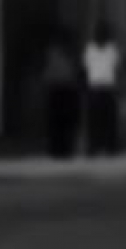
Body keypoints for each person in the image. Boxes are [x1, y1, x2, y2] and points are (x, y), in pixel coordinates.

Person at [83, 22, 121, 156]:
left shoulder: (94, 49)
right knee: (101, 120)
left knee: (102, 120)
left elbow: (87, 67)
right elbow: (116, 68)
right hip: (100, 87)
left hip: (102, 87)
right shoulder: (104, 49)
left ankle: (103, 146)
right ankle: (101, 146)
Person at [42, 26, 80, 158]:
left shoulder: (54, 52)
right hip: (64, 88)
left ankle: (59, 148)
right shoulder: (68, 52)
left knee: (58, 121)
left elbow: (48, 70)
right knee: (64, 121)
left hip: (59, 88)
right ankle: (63, 148)